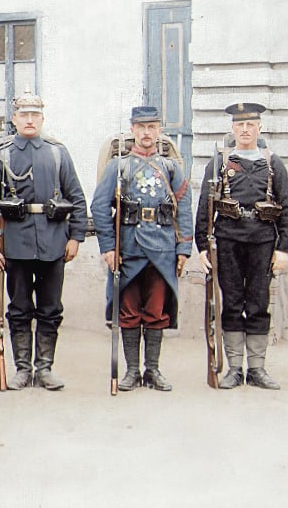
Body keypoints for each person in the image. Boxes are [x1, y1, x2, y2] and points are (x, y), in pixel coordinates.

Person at [0, 91, 87, 390]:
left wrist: (76, 237)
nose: (30, 120)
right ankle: (22, 369)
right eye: (24, 115)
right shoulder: (1, 155)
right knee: (19, 307)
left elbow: (77, 198)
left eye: (35, 115)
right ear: (14, 119)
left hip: (54, 241)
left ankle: (44, 369)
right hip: (15, 245)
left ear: (42, 119)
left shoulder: (58, 153)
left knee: (51, 308)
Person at [91, 106, 193, 391]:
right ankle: (132, 372)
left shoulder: (171, 167)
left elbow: (184, 206)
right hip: (129, 248)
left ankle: (153, 370)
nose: (147, 133)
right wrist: (109, 248)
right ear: (132, 130)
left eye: (152, 127)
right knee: (128, 311)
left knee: (156, 311)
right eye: (141, 128)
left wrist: (184, 249)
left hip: (162, 249)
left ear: (159, 130)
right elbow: (99, 207)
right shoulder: (119, 166)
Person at [194, 103, 288, 390]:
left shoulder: (273, 163)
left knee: (259, 303)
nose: (246, 129)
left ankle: (258, 369)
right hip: (228, 242)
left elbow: (287, 207)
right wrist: (202, 246)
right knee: (233, 302)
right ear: (233, 129)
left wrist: (284, 248)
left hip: (263, 242)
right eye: (240, 125)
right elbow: (205, 207)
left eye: (251, 124)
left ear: (260, 128)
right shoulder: (220, 162)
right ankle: (235, 369)